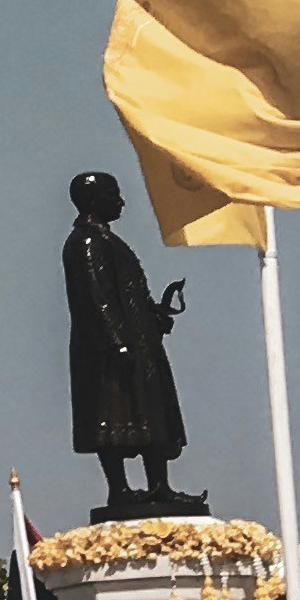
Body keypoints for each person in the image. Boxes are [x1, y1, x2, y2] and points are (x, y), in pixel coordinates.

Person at [65, 171, 194, 514]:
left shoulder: (109, 241)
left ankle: (159, 486)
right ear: (95, 200)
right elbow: (96, 298)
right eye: (114, 194)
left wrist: (153, 315)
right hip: (108, 350)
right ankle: (119, 489)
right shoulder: (86, 242)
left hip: (140, 344)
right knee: (112, 417)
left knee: (153, 412)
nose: (121, 201)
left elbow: (126, 294)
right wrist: (116, 342)